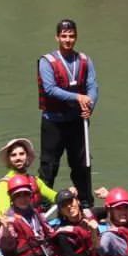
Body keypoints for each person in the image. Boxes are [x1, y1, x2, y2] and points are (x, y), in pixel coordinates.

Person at [37, 18, 97, 207]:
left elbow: (92, 86)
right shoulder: (47, 62)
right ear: (57, 37)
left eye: (71, 36)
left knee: (82, 165)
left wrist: (90, 105)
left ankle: (85, 204)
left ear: (76, 37)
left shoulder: (85, 60)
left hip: (77, 121)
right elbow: (50, 89)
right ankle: (43, 206)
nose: (68, 40)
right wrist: (78, 98)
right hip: (53, 122)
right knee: (49, 166)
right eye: (64, 36)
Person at [0, 176, 62, 256]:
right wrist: (6, 230)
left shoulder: (35, 213)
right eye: (18, 195)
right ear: (12, 198)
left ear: (30, 195)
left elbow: (50, 233)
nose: (22, 198)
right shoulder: (10, 222)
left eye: (25, 194)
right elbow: (7, 247)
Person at [51, 187, 101, 256]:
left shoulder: (90, 214)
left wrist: (108, 196)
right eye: (64, 205)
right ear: (61, 211)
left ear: (77, 201)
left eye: (70, 201)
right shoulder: (63, 235)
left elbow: (114, 211)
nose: (69, 206)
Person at [0, 137, 56, 219]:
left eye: (22, 154)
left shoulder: (34, 180)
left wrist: (68, 194)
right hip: (17, 229)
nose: (18, 158)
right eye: (13, 155)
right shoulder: (4, 184)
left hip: (36, 223)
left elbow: (54, 196)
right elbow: (3, 213)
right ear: (9, 159)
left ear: (27, 157)